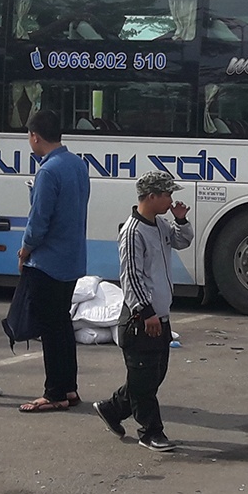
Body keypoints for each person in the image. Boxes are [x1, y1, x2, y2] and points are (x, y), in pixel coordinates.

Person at [95, 170, 194, 451]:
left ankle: (113, 408)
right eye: (167, 195)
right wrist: (146, 311)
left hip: (159, 315)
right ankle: (151, 431)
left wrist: (181, 219)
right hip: (141, 318)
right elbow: (131, 277)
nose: (171, 200)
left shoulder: (160, 226)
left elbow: (182, 240)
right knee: (145, 379)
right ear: (151, 196)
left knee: (153, 374)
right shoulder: (132, 231)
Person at [17, 108, 90, 413]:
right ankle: (68, 388)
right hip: (71, 258)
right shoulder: (77, 164)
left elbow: (39, 221)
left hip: (46, 261)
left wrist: (25, 250)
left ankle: (54, 392)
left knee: (51, 328)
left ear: (35, 136)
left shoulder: (47, 171)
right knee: (62, 325)